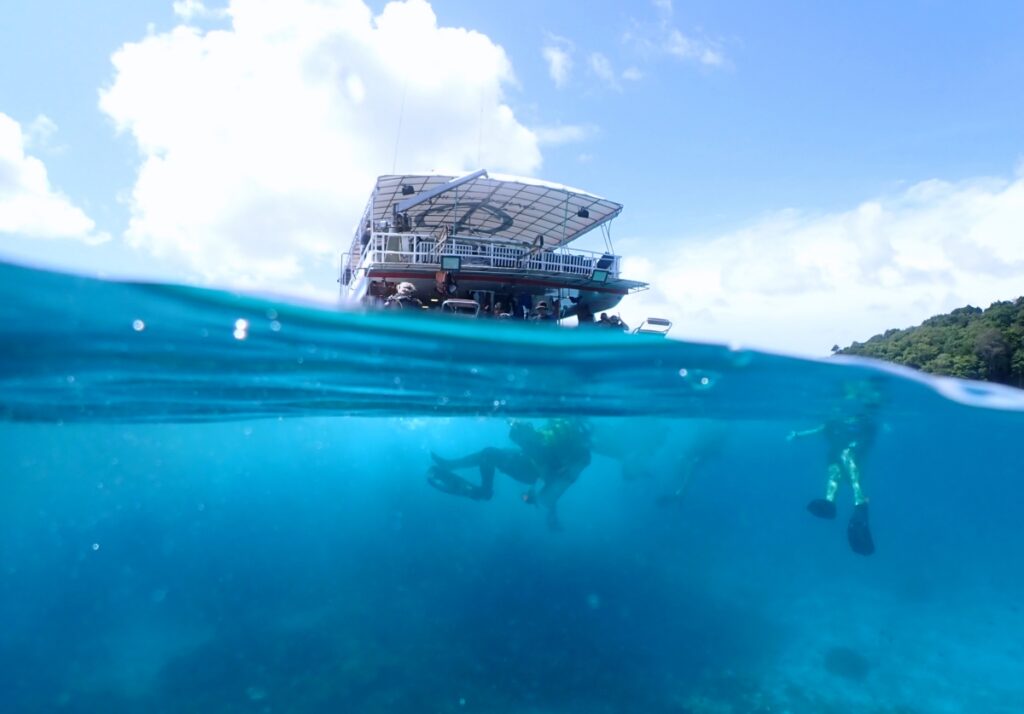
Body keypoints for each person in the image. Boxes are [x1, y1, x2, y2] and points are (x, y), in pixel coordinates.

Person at [428, 418, 592, 530]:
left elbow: (557, 478)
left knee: (489, 454)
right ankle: (451, 466)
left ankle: (484, 491)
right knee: (488, 454)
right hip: (528, 459)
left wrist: (541, 499)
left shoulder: (575, 447)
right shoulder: (564, 430)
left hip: (530, 470)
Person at [788, 381, 884, 556]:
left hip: (852, 456)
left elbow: (865, 437)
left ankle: (859, 502)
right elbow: (817, 430)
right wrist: (798, 435)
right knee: (835, 473)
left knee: (848, 461)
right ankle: (830, 502)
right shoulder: (833, 423)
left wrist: (858, 443)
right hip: (836, 456)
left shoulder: (862, 422)